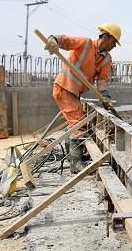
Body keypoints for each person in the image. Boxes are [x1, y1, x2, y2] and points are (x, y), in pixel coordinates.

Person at [44, 22, 121, 173]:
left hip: (75, 92)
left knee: (74, 124)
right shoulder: (85, 44)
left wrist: (104, 96)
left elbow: (102, 79)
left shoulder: (107, 58)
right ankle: (75, 164)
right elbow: (65, 40)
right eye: (114, 41)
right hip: (64, 87)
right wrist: (53, 40)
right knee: (79, 126)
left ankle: (73, 156)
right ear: (106, 36)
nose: (115, 46)